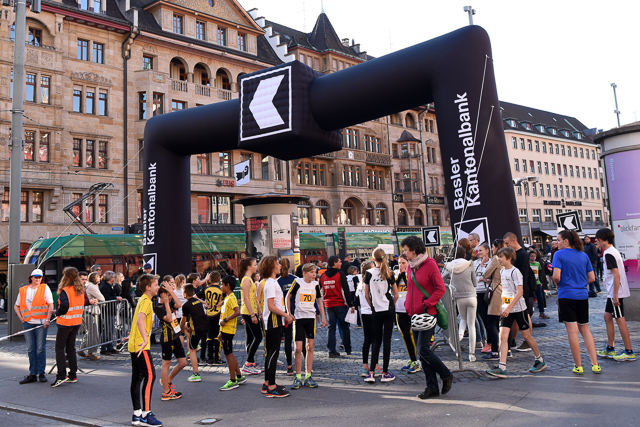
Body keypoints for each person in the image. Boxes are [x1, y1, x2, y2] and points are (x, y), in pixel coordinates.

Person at [401, 236, 453, 399]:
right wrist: (408, 305)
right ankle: (432, 387)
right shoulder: (411, 267)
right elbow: (411, 289)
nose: (404, 253)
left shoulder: (430, 264)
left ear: (414, 250)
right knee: (422, 352)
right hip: (414, 313)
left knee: (423, 349)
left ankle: (446, 374)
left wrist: (427, 303)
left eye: (406, 250)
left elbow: (440, 289)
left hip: (427, 313)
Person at [486, 247, 547, 378]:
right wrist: (504, 306)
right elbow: (505, 291)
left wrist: (509, 307)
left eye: (501, 257)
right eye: (498, 256)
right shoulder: (502, 271)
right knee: (502, 336)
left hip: (519, 309)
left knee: (526, 336)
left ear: (509, 258)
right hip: (506, 309)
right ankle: (502, 367)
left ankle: (540, 359)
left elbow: (520, 292)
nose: (498, 259)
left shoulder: (515, 272)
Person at [552, 230, 601, 374]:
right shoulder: (583, 255)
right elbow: (592, 278)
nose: (557, 243)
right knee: (585, 329)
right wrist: (580, 283)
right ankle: (595, 364)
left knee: (572, 331)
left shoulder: (559, 255)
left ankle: (578, 366)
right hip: (582, 295)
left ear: (566, 241)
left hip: (566, 295)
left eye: (559, 240)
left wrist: (558, 285)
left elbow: (556, 276)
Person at [595, 228, 635, 361]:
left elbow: (616, 274)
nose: (596, 240)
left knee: (620, 319)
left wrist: (616, 295)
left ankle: (629, 351)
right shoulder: (611, 251)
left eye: (598, 238)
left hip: (615, 292)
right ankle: (610, 348)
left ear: (604, 239)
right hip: (613, 292)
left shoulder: (609, 253)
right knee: (607, 316)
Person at [129, 274, 162, 427]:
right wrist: (145, 339)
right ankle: (146, 414)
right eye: (156, 285)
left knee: (137, 377)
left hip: (135, 344)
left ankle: (137, 414)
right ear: (148, 287)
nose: (158, 287)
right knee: (150, 376)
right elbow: (140, 320)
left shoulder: (143, 299)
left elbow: (137, 320)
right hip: (141, 345)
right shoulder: (147, 302)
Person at [286, 263, 326, 389]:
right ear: (304, 273)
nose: (314, 274)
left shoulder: (316, 284)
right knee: (298, 348)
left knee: (310, 347)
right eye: (311, 272)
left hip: (310, 318)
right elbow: (288, 297)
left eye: (315, 272)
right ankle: (298, 377)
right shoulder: (297, 282)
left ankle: (308, 376)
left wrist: (323, 317)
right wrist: (288, 312)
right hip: (299, 318)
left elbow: (319, 301)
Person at [52, 267, 94, 388]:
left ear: (65, 276)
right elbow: (82, 303)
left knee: (59, 349)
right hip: (76, 322)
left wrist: (57, 312)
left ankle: (61, 375)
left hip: (65, 322)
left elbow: (64, 306)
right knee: (71, 348)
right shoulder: (80, 290)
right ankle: (73, 375)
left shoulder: (66, 290)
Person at [363, 248, 398, 383]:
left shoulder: (369, 273)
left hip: (376, 310)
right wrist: (392, 305)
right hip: (388, 308)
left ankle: (371, 372)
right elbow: (396, 294)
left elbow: (367, 295)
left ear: (373, 259)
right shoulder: (389, 273)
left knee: (376, 340)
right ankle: (385, 372)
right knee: (387, 340)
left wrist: (372, 306)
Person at [260, 255, 292, 398]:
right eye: (277, 263)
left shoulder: (271, 282)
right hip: (274, 321)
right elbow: (271, 306)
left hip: (274, 320)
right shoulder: (271, 283)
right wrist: (286, 315)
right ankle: (271, 386)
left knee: (271, 353)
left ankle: (268, 383)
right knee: (273, 353)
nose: (280, 265)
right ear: (271, 267)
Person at [15, 268, 54, 384]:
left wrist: (48, 319)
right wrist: (21, 318)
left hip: (41, 323)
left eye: (40, 277)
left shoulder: (44, 288)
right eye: (36, 277)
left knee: (40, 349)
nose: (38, 279)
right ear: (31, 278)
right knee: (31, 349)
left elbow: (50, 305)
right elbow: (16, 306)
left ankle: (41, 373)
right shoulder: (23, 290)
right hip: (28, 322)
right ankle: (32, 373)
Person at [503, 232, 537, 352]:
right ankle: (513, 340)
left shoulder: (522, 255)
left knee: (525, 314)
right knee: (516, 315)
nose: (506, 245)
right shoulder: (516, 254)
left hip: (522, 289)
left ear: (514, 241)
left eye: (507, 243)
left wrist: (521, 290)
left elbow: (524, 274)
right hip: (516, 289)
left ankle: (527, 341)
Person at [443, 247, 478, 362]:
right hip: (471, 296)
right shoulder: (470, 264)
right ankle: (472, 354)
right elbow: (475, 283)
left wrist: (451, 282)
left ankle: (460, 335)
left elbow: (442, 278)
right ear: (464, 255)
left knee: (463, 319)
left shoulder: (450, 266)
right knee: (471, 325)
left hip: (459, 297)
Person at [154, 282, 187, 400]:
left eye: (170, 295)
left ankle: (167, 380)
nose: (170, 297)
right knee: (166, 364)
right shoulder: (158, 307)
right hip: (167, 338)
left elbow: (179, 304)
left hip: (176, 335)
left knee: (183, 362)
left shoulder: (171, 302)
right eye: (167, 295)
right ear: (162, 295)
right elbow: (168, 318)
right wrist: (167, 303)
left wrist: (172, 292)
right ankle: (166, 392)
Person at [320, 255, 354, 358]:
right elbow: (346, 290)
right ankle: (348, 348)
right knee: (344, 327)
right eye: (339, 261)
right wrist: (350, 304)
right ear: (334, 263)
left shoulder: (323, 276)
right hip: (340, 304)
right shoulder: (340, 274)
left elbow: (320, 290)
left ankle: (331, 350)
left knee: (331, 328)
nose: (341, 263)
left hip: (328, 305)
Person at [218, 275, 247, 391]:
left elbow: (237, 311)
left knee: (228, 354)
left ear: (228, 285)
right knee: (230, 353)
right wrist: (221, 332)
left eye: (222, 284)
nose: (221, 286)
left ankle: (232, 380)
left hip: (228, 329)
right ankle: (239, 376)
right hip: (225, 330)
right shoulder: (228, 297)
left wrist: (225, 320)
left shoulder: (231, 298)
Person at [239, 258, 263, 375]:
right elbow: (246, 298)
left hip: (250, 311)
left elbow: (254, 298)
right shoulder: (246, 280)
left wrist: (258, 310)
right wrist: (252, 315)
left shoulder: (248, 279)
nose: (256, 266)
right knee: (258, 337)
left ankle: (251, 362)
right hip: (248, 312)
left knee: (251, 337)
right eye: (254, 264)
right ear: (249, 267)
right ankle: (248, 363)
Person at [396, 255, 420, 374]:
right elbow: (392, 288)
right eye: (399, 263)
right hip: (399, 309)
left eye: (404, 263)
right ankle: (412, 358)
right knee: (405, 335)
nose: (401, 265)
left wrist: (404, 276)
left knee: (414, 335)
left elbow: (411, 287)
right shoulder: (396, 275)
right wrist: (399, 276)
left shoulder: (412, 274)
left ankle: (417, 361)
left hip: (411, 308)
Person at [481, 240, 504, 361]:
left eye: (493, 247)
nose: (492, 249)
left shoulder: (496, 258)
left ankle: (495, 351)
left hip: (497, 292)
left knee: (492, 322)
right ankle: (507, 350)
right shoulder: (508, 257)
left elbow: (486, 274)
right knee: (505, 323)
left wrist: (482, 265)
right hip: (506, 291)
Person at [180, 284, 208, 382]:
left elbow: (183, 320)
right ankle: (196, 343)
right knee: (186, 328)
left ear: (185, 294)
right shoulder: (198, 301)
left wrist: (180, 329)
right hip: (204, 326)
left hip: (196, 329)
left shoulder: (186, 305)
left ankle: (196, 374)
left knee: (192, 351)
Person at [197, 272, 224, 365]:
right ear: (219, 279)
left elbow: (195, 297)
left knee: (209, 336)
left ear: (210, 280)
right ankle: (216, 357)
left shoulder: (206, 289)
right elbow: (227, 298)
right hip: (218, 314)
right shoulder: (221, 289)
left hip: (208, 314)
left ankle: (209, 357)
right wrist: (221, 303)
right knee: (217, 336)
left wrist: (204, 303)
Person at [277, 258, 296, 375]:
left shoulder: (277, 282)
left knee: (287, 340)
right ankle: (306, 365)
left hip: (284, 313)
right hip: (296, 312)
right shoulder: (295, 279)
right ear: (289, 266)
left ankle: (289, 366)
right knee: (300, 339)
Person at [81, 272, 104, 360]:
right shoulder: (92, 286)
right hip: (90, 311)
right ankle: (90, 353)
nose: (99, 278)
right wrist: (97, 301)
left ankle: (82, 349)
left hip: (88, 311)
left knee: (90, 332)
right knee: (93, 332)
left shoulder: (89, 286)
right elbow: (102, 298)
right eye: (98, 277)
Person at [99, 271, 122, 355]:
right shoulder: (105, 287)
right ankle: (103, 348)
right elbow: (106, 298)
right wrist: (115, 298)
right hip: (107, 311)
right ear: (111, 278)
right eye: (113, 277)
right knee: (107, 330)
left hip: (110, 311)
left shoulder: (109, 286)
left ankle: (110, 347)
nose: (114, 278)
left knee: (111, 330)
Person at [474, 243, 492, 354]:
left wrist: (484, 278)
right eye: (478, 251)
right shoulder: (474, 263)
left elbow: (491, 278)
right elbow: (473, 278)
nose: (479, 252)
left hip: (489, 293)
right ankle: (489, 341)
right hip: (478, 293)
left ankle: (491, 341)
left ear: (487, 251)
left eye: (481, 250)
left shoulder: (492, 263)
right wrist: (481, 279)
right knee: (484, 318)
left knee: (491, 319)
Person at [530, 250, 550, 319]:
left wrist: (541, 281)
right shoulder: (528, 264)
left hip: (537, 282)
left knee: (540, 298)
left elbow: (540, 273)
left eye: (534, 256)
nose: (533, 258)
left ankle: (542, 312)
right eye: (532, 256)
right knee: (530, 299)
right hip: (531, 283)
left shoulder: (537, 263)